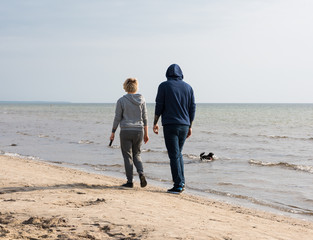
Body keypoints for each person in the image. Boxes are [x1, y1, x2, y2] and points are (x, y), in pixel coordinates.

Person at [153, 64, 196, 194]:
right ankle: (181, 182)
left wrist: (155, 122)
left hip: (170, 125)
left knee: (174, 155)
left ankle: (178, 185)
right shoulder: (188, 87)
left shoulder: (164, 86)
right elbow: (192, 108)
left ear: (167, 74)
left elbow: (159, 105)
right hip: (184, 125)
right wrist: (190, 126)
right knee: (178, 154)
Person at [110, 78, 149, 188]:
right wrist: (146, 134)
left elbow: (117, 117)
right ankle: (141, 173)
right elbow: (145, 118)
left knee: (127, 156)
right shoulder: (142, 100)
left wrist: (113, 132)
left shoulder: (121, 100)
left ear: (125, 87)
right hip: (139, 131)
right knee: (137, 154)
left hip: (126, 131)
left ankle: (130, 181)